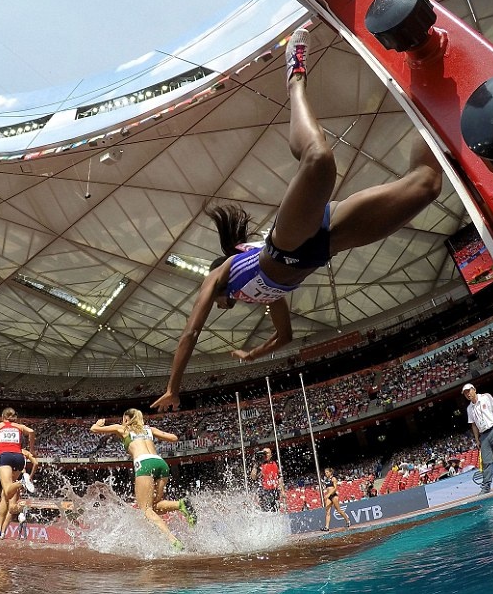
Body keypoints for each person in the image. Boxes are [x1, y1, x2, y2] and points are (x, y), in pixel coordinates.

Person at [151, 26, 442, 412]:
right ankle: (432, 90)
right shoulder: (265, 297)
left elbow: (190, 332)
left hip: (286, 242)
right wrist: (254, 354)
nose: (221, 306)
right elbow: (285, 337)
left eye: (220, 303)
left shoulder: (220, 275)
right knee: (427, 185)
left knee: (319, 160)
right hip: (328, 243)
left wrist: (173, 388)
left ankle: (295, 78)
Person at [91, 408, 197, 551]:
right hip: (161, 463)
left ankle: (173, 541)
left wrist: (99, 423)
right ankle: (181, 504)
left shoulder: (122, 429)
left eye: (123, 418)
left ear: (127, 419)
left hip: (144, 464)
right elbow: (174, 438)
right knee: (154, 506)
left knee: (146, 510)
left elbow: (94, 429)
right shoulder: (149, 429)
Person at [0, 407, 36, 538]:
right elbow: (32, 431)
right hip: (19, 457)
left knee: (7, 489)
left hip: (4, 456)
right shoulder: (19, 426)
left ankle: (22, 482)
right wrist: (31, 449)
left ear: (2, 416)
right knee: (6, 494)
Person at [0, 448, 38, 538]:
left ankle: (21, 509)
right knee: (10, 509)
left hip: (12, 483)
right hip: (18, 480)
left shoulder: (7, 452)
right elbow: (36, 463)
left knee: (10, 507)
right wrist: (30, 477)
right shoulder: (24, 453)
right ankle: (2, 531)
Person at [250, 447, 281, 511]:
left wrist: (282, 490)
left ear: (271, 455)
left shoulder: (275, 463)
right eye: (264, 453)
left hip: (274, 491)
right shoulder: (259, 464)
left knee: (276, 510)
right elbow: (253, 477)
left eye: (267, 453)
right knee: (266, 510)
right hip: (265, 491)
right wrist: (255, 465)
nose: (265, 455)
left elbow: (279, 477)